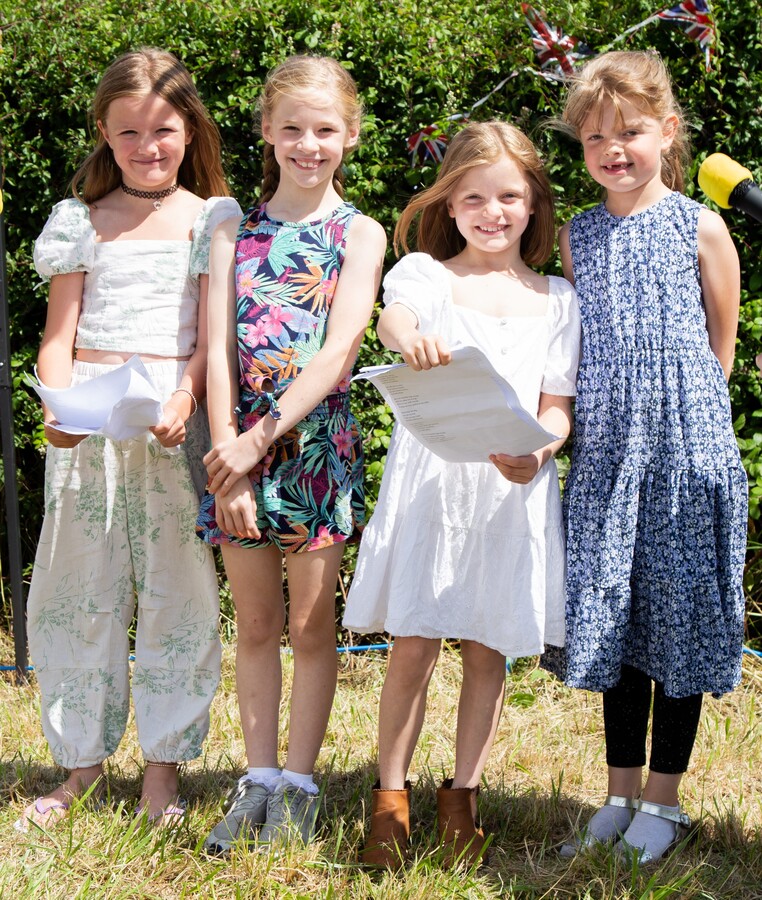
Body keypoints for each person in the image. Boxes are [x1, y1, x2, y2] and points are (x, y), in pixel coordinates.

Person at [342, 121, 581, 869]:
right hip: (433, 489)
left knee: (487, 649)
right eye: (473, 196)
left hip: (510, 493)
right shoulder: (427, 275)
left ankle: (463, 799)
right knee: (413, 643)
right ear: (450, 202)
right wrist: (407, 334)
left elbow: (557, 407)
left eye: (509, 195)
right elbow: (393, 318)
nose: (492, 211)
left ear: (533, 203)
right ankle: (389, 801)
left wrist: (540, 451)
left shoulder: (558, 298)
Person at [16, 48, 240, 832]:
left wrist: (185, 396)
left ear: (190, 130)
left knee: (178, 592)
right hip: (88, 429)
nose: (148, 147)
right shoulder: (81, 220)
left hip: (170, 426)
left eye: (164, 131)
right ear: (105, 137)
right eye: (129, 133)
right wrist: (61, 405)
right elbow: (57, 336)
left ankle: (162, 769)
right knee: (78, 593)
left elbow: (212, 341)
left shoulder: (211, 218)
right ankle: (79, 762)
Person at [555, 51, 747, 864]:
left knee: (679, 623)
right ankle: (620, 790)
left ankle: (664, 805)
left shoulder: (700, 224)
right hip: (607, 452)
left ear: (667, 131)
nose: (614, 149)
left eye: (631, 131)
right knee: (620, 622)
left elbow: (721, 346)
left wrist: (685, 434)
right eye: (596, 137)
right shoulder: (579, 234)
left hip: (683, 452)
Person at [196, 55, 386, 853]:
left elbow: (338, 351)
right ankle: (258, 778)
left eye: (325, 130)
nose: (309, 145)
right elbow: (213, 350)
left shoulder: (360, 232)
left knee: (311, 628)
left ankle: (302, 785)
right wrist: (226, 456)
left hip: (313, 452)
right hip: (233, 456)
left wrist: (258, 440)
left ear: (349, 135)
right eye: (293, 130)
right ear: (267, 133)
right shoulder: (230, 227)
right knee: (255, 625)